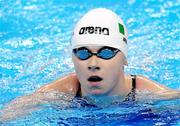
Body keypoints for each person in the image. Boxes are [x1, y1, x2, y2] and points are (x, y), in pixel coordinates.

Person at [0, 8, 179, 121]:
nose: (93, 64)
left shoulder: (145, 93)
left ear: (124, 58)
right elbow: (10, 113)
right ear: (73, 59)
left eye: (106, 52)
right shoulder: (64, 92)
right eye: (83, 53)